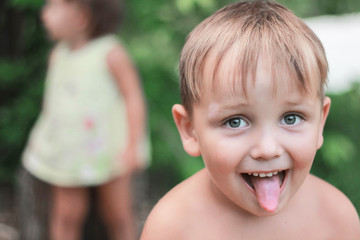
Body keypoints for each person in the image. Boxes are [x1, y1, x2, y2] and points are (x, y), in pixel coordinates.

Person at [140, 1, 360, 239]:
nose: (267, 149)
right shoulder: (172, 227)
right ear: (190, 129)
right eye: (235, 121)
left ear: (320, 123)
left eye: (291, 118)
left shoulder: (335, 217)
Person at [21, 0, 150, 239]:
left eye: (52, 6)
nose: (44, 14)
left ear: (82, 16)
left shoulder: (111, 52)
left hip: (109, 149)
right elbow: (53, 104)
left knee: (117, 213)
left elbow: (133, 97)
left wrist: (133, 144)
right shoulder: (57, 55)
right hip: (68, 151)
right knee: (66, 214)